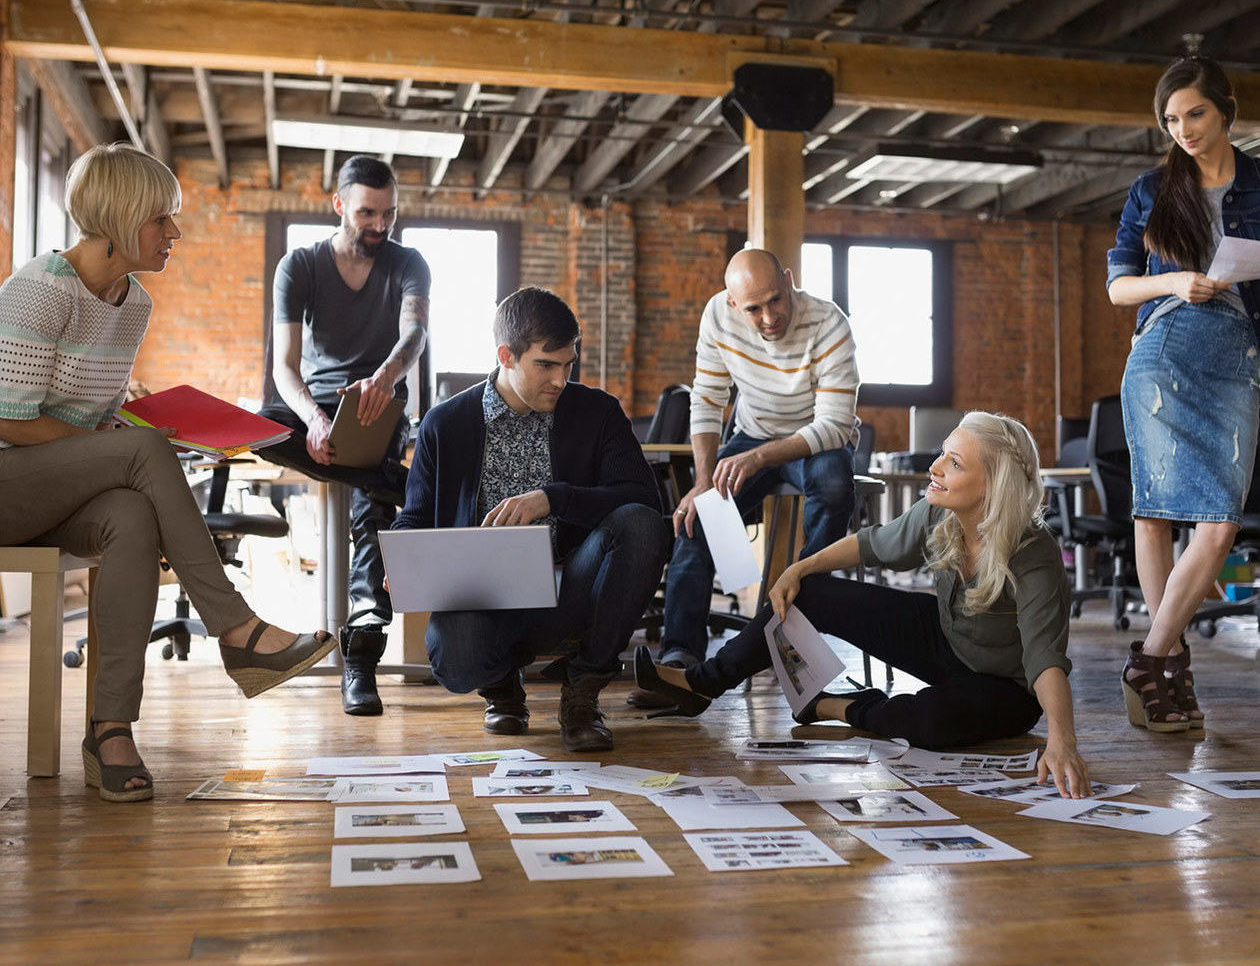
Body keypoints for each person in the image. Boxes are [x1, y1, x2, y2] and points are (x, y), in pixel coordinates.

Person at [0, 143, 335, 803]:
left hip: (62, 490)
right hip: (9, 485)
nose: (174, 234)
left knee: (130, 514)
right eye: (162, 220)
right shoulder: (38, 289)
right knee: (143, 454)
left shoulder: (134, 305)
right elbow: (9, 420)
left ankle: (111, 731)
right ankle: (238, 631)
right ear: (121, 221)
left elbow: (92, 417)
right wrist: (123, 448)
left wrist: (126, 433)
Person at [634, 411, 1092, 799]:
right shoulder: (940, 511)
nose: (934, 468)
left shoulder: (1035, 555)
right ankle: (702, 683)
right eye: (942, 453)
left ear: (995, 485)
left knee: (930, 723)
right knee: (809, 591)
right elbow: (871, 545)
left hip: (1007, 687)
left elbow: (1044, 659)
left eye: (953, 463)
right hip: (947, 637)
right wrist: (801, 568)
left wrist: (1062, 741)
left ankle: (839, 707)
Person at [394, 287, 670, 751]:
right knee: (456, 654)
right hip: (485, 594)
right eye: (546, 365)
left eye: (568, 364)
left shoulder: (597, 412)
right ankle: (502, 689)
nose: (561, 379)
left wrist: (552, 498)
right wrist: (399, 560)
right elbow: (416, 516)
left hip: (574, 585)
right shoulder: (446, 423)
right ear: (506, 355)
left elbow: (641, 498)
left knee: (642, 525)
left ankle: (582, 693)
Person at [1107, 56, 1260, 733]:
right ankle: (1166, 670)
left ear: (1226, 108)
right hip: (1165, 348)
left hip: (1238, 355)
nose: (1184, 129)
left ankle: (1154, 661)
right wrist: (1176, 282)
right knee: (1156, 512)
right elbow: (1117, 286)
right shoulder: (1151, 188)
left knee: (1219, 521)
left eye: (1194, 113)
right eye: (1171, 120)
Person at [637, 247, 859, 699]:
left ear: (790, 281)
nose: (769, 317)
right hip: (752, 434)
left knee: (836, 484)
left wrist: (760, 459)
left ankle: (801, 633)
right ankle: (681, 656)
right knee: (700, 515)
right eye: (753, 308)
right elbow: (707, 399)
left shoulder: (829, 322)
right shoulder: (718, 316)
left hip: (816, 439)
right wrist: (702, 484)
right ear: (734, 304)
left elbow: (835, 424)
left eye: (776, 300)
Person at [259, 155, 430, 716]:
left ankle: (360, 659)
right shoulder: (299, 265)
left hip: (377, 405)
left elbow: (415, 334)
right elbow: (285, 367)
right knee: (259, 429)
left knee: (369, 518)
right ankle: (392, 480)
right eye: (367, 214)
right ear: (339, 206)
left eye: (390, 213)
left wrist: (384, 378)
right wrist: (312, 417)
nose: (380, 226)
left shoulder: (409, 263)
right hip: (315, 407)